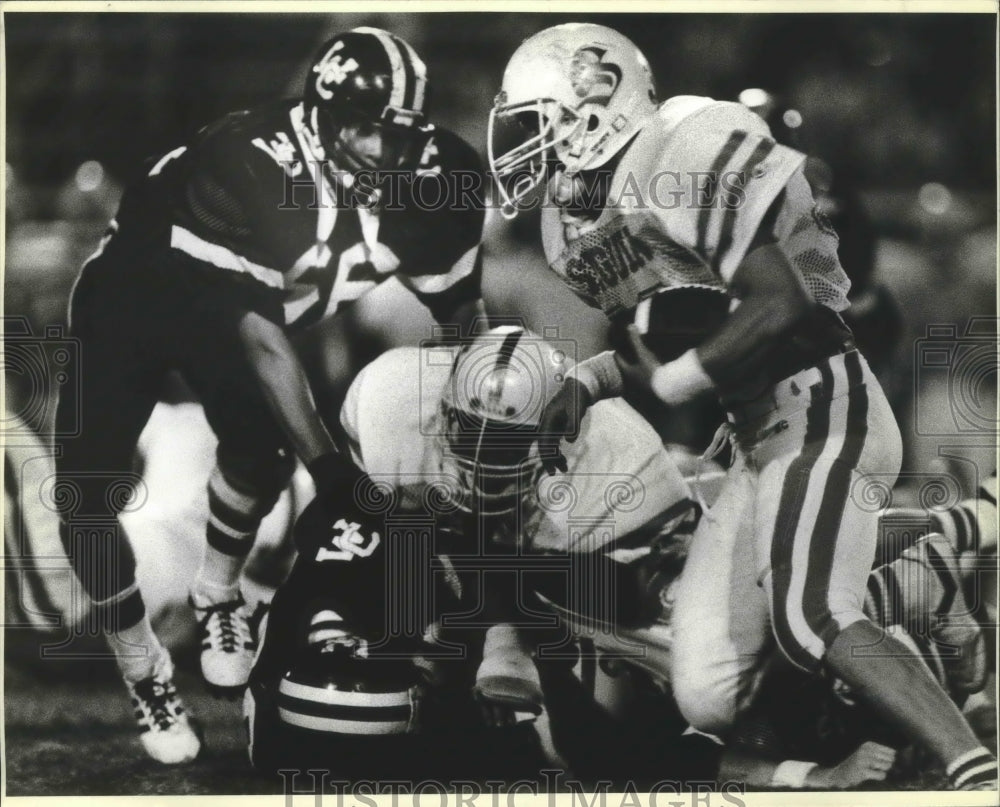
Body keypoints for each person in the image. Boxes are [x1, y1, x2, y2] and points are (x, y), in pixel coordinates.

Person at [487, 22, 996, 789]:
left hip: (824, 405)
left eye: (536, 122)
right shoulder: (580, 222)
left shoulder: (683, 149)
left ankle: (975, 767)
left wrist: (671, 381)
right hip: (755, 434)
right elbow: (651, 342)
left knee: (810, 616)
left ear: (592, 110)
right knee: (710, 691)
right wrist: (590, 381)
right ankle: (924, 560)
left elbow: (784, 302)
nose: (521, 145)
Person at [53, 27, 485, 764]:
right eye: (363, 131)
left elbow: (459, 324)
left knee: (262, 446)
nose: (384, 153)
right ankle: (144, 670)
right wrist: (332, 472)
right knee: (85, 500)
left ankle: (217, 592)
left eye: (397, 132)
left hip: (248, 316)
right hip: (136, 297)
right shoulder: (247, 160)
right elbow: (257, 335)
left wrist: (473, 427)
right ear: (319, 117)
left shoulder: (441, 173)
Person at [244, 325, 694, 774]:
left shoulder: (622, 462)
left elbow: (619, 596)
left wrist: (504, 635)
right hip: (449, 568)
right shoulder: (394, 398)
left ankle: (478, 701)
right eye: (471, 428)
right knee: (354, 551)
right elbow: (344, 526)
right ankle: (283, 659)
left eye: (506, 441)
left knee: (591, 746)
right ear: (444, 407)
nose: (482, 456)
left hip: (556, 603)